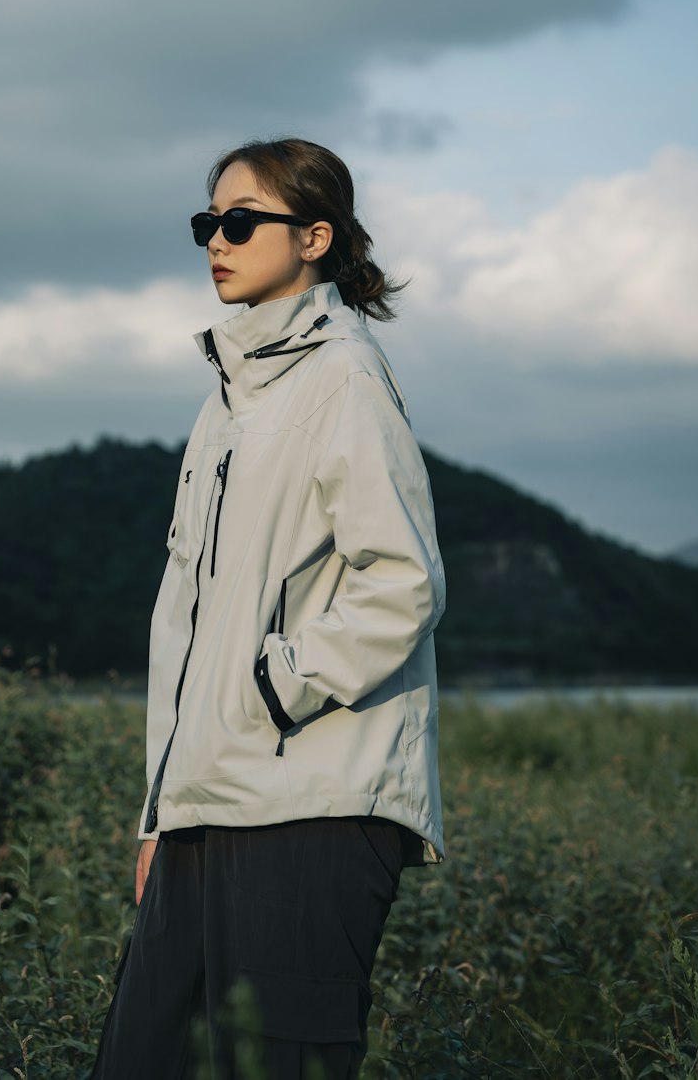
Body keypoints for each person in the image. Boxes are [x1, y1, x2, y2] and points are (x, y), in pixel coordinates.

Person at [88, 136, 445, 1080]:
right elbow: (187, 622)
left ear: (316, 237)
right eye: (208, 222)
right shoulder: (227, 404)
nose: (217, 239)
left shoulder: (344, 379)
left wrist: (275, 688)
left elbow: (402, 579)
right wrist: (160, 813)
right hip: (210, 806)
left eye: (242, 221)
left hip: (312, 805)